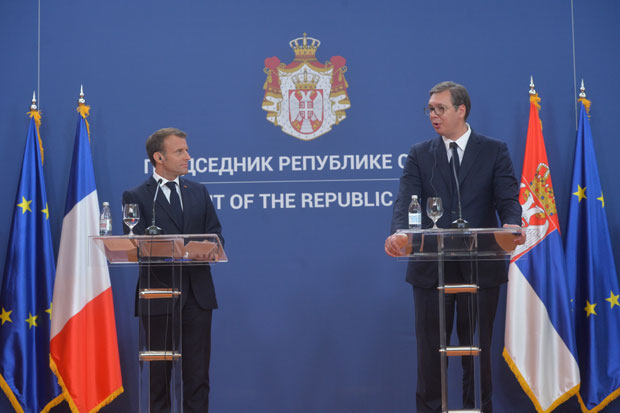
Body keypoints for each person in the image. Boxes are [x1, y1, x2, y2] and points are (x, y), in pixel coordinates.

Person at [384, 82, 524, 412]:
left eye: (440, 109)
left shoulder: (494, 151)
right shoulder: (420, 154)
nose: (433, 115)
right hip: (431, 269)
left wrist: (511, 224)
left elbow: (507, 198)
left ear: (461, 110)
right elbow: (406, 200)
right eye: (430, 109)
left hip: (480, 269)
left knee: (477, 353)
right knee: (430, 356)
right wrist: (398, 234)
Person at [122, 127, 223, 412]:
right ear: (159, 157)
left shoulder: (198, 192)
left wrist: (207, 248)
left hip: (197, 296)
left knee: (197, 376)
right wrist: (176, 249)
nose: (188, 156)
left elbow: (216, 235)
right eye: (180, 151)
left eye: (186, 150)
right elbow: (134, 243)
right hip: (158, 295)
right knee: (158, 378)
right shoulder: (136, 196)